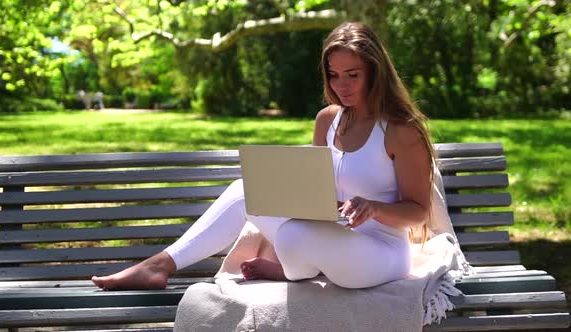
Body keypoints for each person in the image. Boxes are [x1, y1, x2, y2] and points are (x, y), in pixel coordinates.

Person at [91, 21, 435, 290]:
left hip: (380, 254)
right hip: (332, 236)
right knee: (247, 190)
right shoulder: (328, 120)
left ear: (375, 71)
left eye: (353, 75)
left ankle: (293, 271)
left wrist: (373, 208)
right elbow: (315, 197)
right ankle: (159, 266)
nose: (341, 85)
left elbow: (418, 214)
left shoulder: (400, 131)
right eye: (334, 75)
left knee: (295, 235)